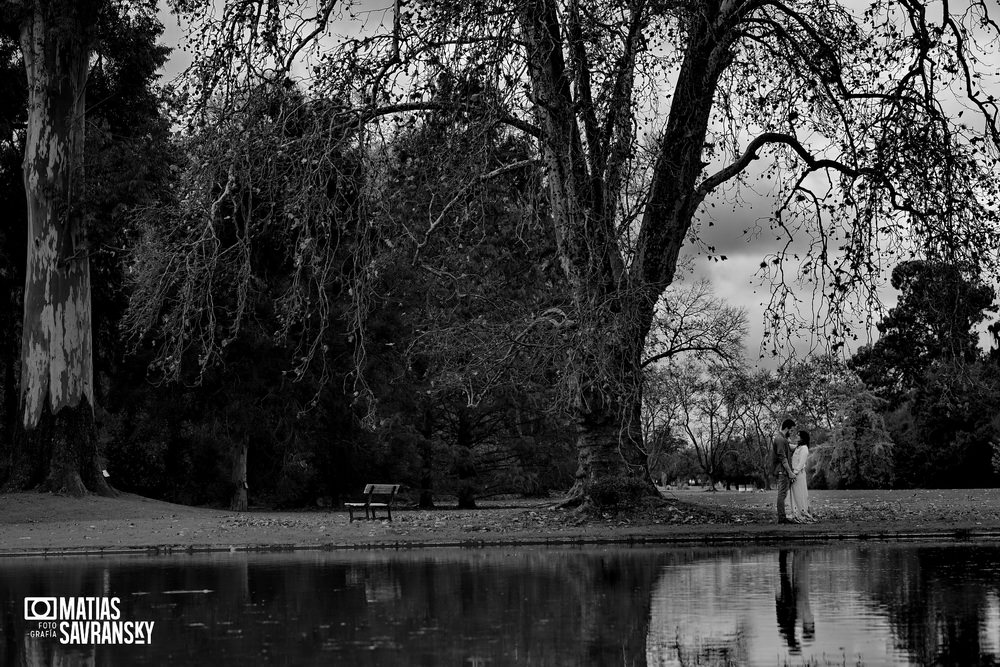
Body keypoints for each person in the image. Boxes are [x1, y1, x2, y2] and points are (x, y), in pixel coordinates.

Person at [788, 430, 816, 523]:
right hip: (795, 474)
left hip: (798, 474)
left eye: (798, 435)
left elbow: (801, 463)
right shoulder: (798, 447)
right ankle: (796, 513)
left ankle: (802, 513)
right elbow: (790, 446)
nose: (796, 436)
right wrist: (785, 441)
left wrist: (794, 473)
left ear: (803, 438)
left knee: (800, 493)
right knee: (795, 494)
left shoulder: (804, 448)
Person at [772, 418, 796, 524]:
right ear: (787, 428)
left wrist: (800, 445)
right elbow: (783, 457)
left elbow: (789, 449)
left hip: (783, 471)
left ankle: (783, 518)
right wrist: (790, 472)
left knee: (783, 494)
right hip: (782, 471)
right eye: (791, 430)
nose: (792, 433)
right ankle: (782, 519)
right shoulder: (780, 439)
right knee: (782, 495)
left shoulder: (782, 439)